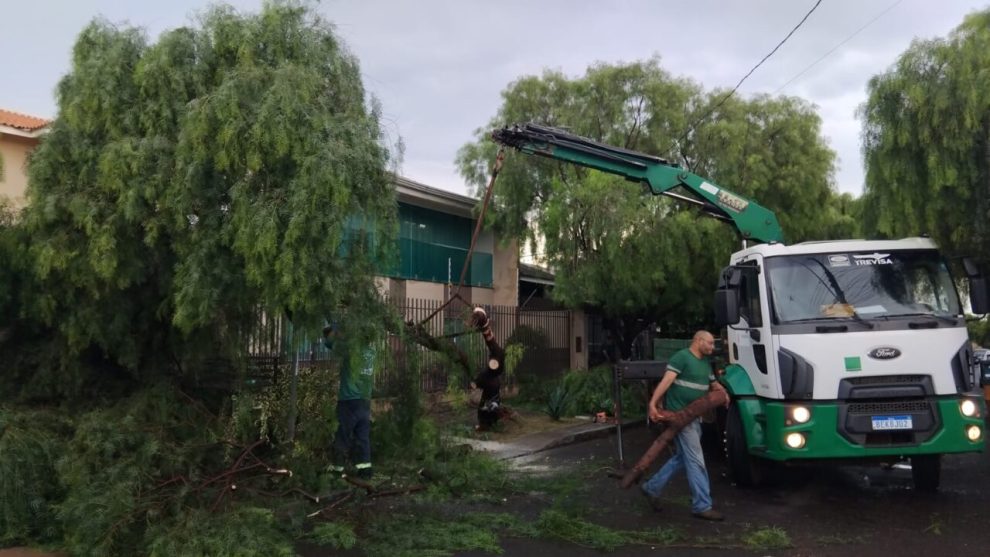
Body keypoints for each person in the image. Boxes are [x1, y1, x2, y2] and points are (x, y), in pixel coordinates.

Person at [640, 330, 728, 521]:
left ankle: (651, 487)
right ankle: (702, 505)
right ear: (698, 341)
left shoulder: (705, 363)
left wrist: (724, 394)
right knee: (696, 460)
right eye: (710, 343)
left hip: (694, 418)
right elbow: (666, 381)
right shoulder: (681, 357)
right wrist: (653, 404)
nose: (713, 347)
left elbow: (713, 385)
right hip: (680, 417)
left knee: (682, 457)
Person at [323, 321, 376, 480]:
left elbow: (329, 344)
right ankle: (365, 470)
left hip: (348, 401)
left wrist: (335, 330)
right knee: (362, 436)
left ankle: (336, 470)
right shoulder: (372, 352)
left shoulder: (351, 350)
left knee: (342, 435)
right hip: (365, 401)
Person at [468, 307, 506, 431]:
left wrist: (475, 383)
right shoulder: (490, 373)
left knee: (488, 406)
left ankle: (488, 423)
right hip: (492, 386)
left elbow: (491, 342)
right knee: (487, 406)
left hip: (491, 387)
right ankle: (487, 424)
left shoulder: (490, 371)